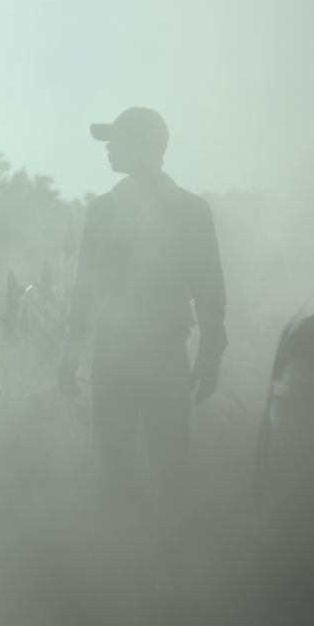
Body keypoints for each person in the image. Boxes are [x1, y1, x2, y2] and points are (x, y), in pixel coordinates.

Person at [57, 106, 227, 503]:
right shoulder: (107, 209)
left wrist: (210, 355)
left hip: (153, 353)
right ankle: (133, 538)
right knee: (119, 470)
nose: (108, 149)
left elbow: (209, 290)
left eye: (116, 141)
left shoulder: (185, 210)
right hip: (126, 353)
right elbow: (85, 289)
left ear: (142, 146)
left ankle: (162, 539)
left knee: (166, 471)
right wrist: (71, 353)